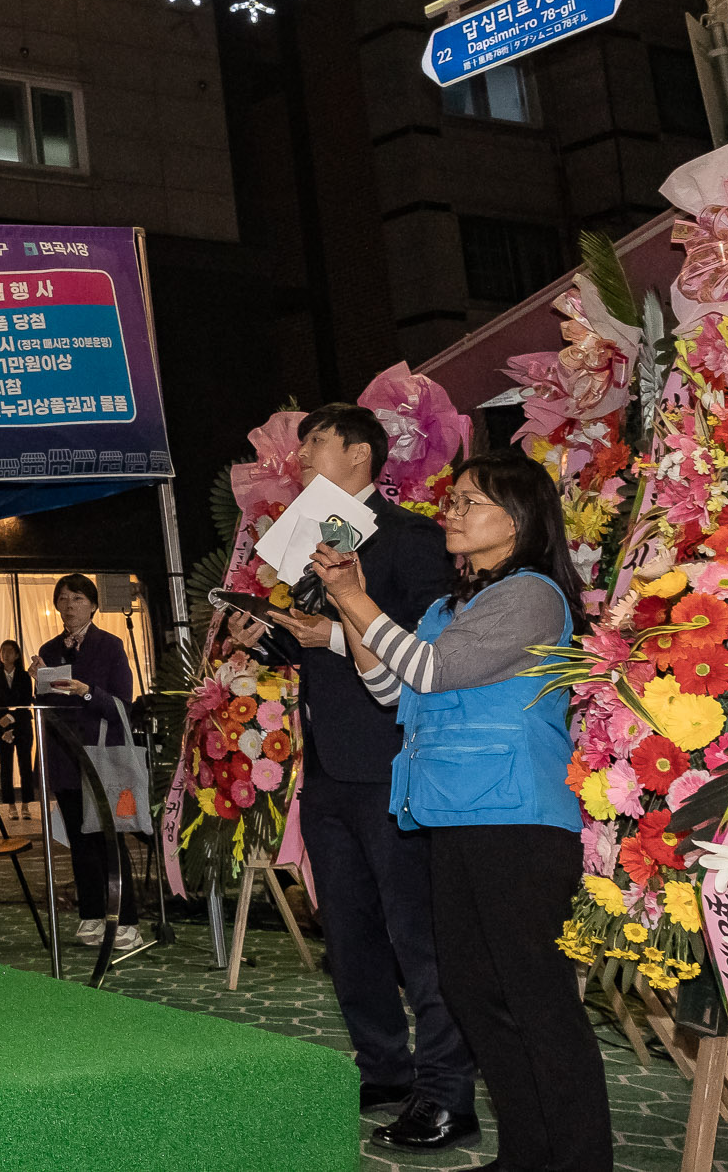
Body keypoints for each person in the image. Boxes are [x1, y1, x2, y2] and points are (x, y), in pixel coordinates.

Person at [319, 450, 611, 1172]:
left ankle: (578, 1160)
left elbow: (429, 669)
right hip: (456, 817)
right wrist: (351, 595)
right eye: (453, 500)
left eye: (470, 501)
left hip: (520, 821)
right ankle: (527, 1153)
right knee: (476, 994)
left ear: (516, 521)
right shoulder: (454, 606)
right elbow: (393, 690)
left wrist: (357, 601)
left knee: (536, 999)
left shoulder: (534, 596)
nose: (451, 510)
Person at [239, 402, 471, 1147]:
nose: (300, 455)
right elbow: (315, 648)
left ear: (361, 456)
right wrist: (270, 636)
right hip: (332, 762)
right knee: (349, 928)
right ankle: (384, 1063)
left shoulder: (411, 537)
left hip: (399, 757)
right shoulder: (311, 536)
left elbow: (426, 645)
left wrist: (334, 632)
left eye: (314, 443)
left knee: (417, 932)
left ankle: (445, 1088)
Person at [37, 574, 141, 947]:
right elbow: (45, 709)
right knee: (80, 843)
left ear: (94, 605)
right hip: (65, 758)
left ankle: (126, 918)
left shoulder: (110, 645)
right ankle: (92, 914)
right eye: (62, 598)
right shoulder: (49, 650)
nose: (69, 605)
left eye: (77, 598)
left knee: (108, 840)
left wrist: (86, 693)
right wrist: (35, 682)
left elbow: (122, 705)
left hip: (101, 756)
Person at [0, 640, 35, 809]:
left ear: (16, 655)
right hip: (2, 725)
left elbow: (25, 700)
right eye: (2, 651)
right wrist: (6, 722)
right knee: (6, 765)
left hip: (22, 725)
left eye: (9, 651)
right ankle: (10, 805)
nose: (5, 654)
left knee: (25, 764)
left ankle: (26, 804)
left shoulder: (24, 676)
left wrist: (12, 718)